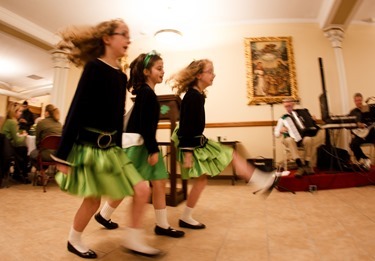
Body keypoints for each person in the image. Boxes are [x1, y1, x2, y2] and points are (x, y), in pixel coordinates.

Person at [52, 19, 160, 258]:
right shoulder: (94, 68)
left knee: (142, 189)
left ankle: (134, 240)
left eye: (128, 36)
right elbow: (76, 111)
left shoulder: (121, 77)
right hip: (89, 148)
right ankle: (73, 239)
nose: (128, 40)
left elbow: (116, 117)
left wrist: (120, 147)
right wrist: (63, 154)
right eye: (124, 34)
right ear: (107, 38)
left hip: (113, 149)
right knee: (92, 201)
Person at [166, 59, 278, 230]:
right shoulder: (192, 96)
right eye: (210, 71)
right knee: (229, 155)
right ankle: (260, 180)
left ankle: (186, 217)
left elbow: (192, 125)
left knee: (203, 180)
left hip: (195, 140)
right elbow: (187, 125)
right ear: (198, 75)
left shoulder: (197, 95)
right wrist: (187, 152)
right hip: (190, 142)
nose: (214, 74)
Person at [95, 51, 185, 238]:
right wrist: (152, 150)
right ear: (146, 72)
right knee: (130, 185)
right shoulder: (146, 93)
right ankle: (104, 214)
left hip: (143, 144)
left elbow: (148, 121)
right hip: (139, 146)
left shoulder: (147, 94)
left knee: (159, 182)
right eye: (159, 68)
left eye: (163, 68)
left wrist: (152, 147)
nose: (163, 71)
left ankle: (161, 224)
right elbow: (145, 125)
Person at [274, 99, 315, 177]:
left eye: (289, 106)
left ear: (293, 105)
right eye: (286, 106)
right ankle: (300, 165)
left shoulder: (301, 114)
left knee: (308, 139)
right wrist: (280, 131)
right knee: (290, 140)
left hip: (301, 139)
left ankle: (306, 164)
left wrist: (312, 121)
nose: (288, 108)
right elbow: (276, 134)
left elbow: (309, 125)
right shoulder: (283, 118)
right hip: (289, 139)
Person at [0, 103, 31, 183]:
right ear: (14, 112)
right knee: (24, 150)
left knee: (22, 150)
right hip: (7, 149)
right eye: (20, 111)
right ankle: (20, 174)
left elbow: (11, 136)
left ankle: (18, 173)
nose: (21, 113)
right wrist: (24, 135)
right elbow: (17, 142)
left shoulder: (6, 121)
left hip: (3, 147)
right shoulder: (12, 123)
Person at [29, 104, 62, 175]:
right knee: (42, 153)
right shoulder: (59, 124)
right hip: (58, 155)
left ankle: (41, 172)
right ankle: (43, 172)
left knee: (32, 154)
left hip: (46, 155)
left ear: (47, 113)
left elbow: (37, 142)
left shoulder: (41, 123)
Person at [349, 93, 375, 170]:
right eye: (356, 100)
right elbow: (350, 124)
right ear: (354, 101)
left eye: (360, 100)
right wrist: (357, 124)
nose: (358, 102)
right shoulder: (352, 112)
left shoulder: (368, 109)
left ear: (362, 100)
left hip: (370, 133)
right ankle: (365, 159)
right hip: (359, 134)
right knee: (353, 144)